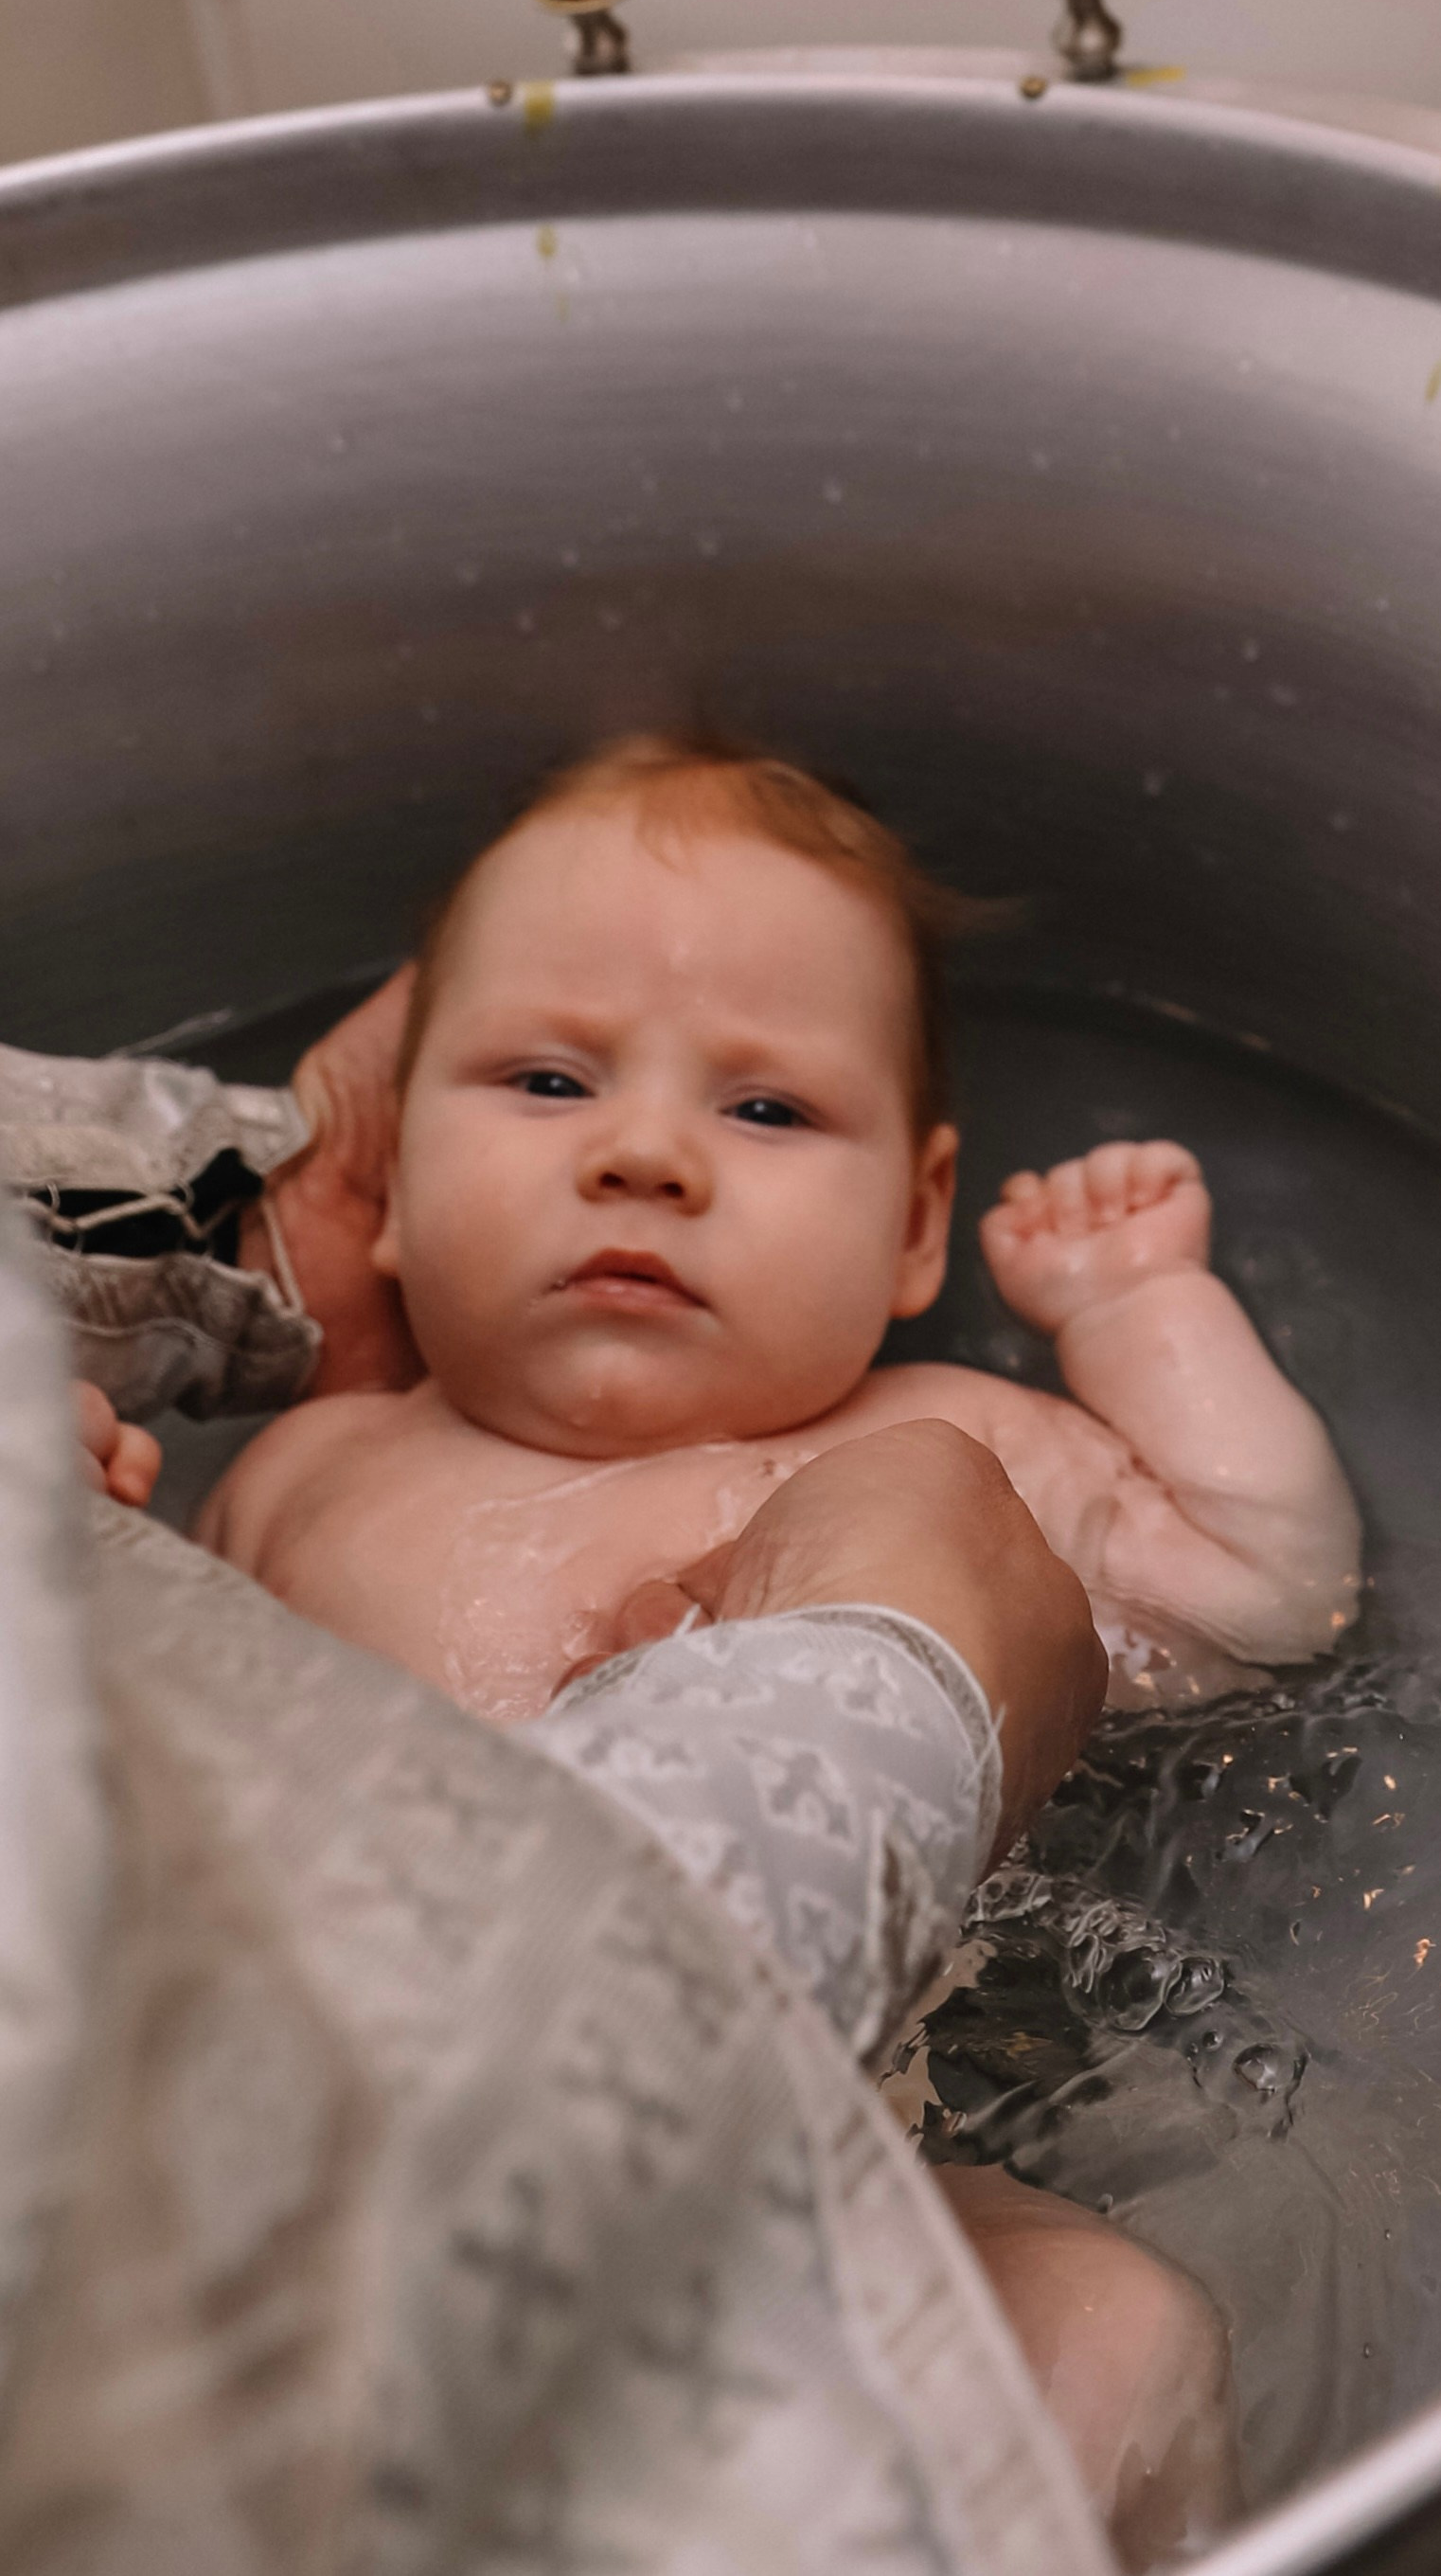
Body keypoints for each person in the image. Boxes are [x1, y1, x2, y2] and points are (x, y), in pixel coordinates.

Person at [67, 734, 1365, 2557]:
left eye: (765, 1111)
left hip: (839, 2165)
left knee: (1114, 2336)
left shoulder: (941, 1445)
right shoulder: (307, 1466)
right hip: (361, 2185)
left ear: (917, 1222)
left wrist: (1144, 1312)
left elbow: (1260, 1594)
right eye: (543, 1077)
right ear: (385, 1183)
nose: (646, 1154)